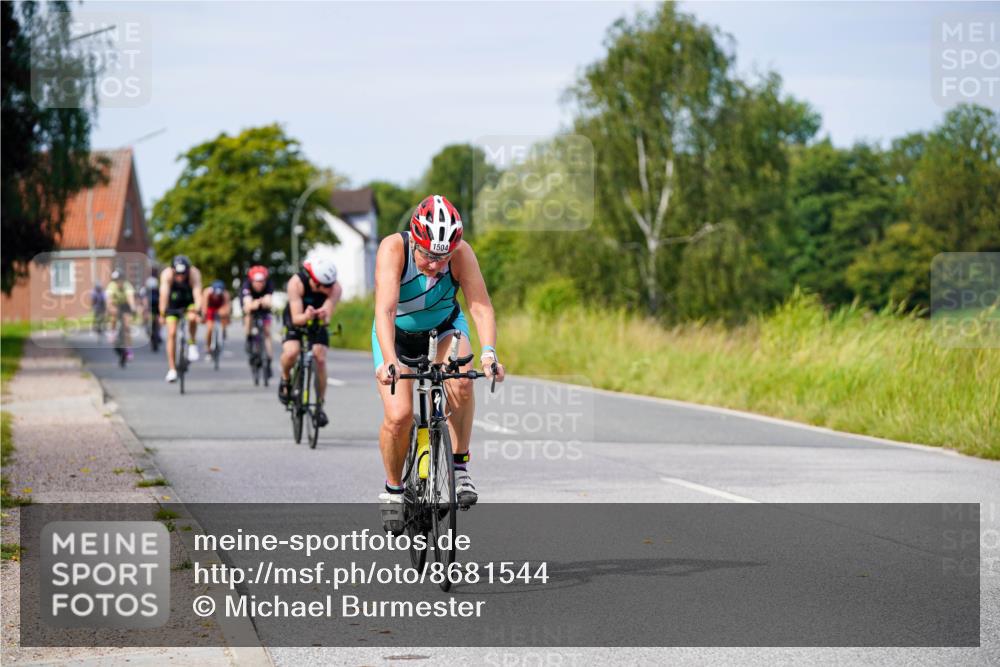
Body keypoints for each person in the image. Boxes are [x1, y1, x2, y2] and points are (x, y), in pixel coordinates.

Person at [372, 194, 505, 533]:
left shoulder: (461, 255)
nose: (436, 265)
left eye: (443, 258)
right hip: (397, 334)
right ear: (415, 241)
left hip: (443, 328)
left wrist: (489, 353)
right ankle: (393, 489)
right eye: (430, 256)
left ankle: (459, 468)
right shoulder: (393, 249)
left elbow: (480, 308)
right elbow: (385, 310)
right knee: (399, 416)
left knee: (462, 377)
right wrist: (389, 360)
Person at [278, 249, 342, 427]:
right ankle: (285, 378)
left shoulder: (335, 288)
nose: (328, 289)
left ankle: (319, 406)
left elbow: (328, 316)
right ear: (313, 279)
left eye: (330, 285)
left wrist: (322, 314)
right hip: (296, 317)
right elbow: (297, 318)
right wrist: (307, 315)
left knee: (320, 358)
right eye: (324, 285)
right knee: (292, 352)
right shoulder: (296, 283)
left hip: (317, 321)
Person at [158, 255, 203, 382]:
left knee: (192, 317)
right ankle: (172, 369)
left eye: (183, 273)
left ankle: (192, 344)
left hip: (189, 301)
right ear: (172, 270)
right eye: (177, 274)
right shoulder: (166, 275)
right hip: (173, 302)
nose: (180, 276)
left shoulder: (194, 273)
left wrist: (198, 310)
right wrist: (162, 313)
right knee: (171, 333)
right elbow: (163, 295)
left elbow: (197, 293)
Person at [240, 265, 275, 373]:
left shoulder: (269, 285)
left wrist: (264, 302)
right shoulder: (246, 286)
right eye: (257, 281)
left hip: (263, 308)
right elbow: (247, 304)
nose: (259, 284)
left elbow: (269, 302)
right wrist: (254, 304)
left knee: (267, 333)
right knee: (248, 315)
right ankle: (249, 337)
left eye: (262, 281)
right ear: (252, 280)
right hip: (251, 306)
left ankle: (268, 360)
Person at [105, 269, 137, 359]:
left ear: (123, 279)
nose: (118, 282)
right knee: (113, 313)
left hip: (125, 305)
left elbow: (131, 298)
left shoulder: (127, 286)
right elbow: (109, 300)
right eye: (116, 280)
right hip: (115, 304)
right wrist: (109, 308)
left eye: (120, 280)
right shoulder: (111, 286)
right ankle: (113, 331)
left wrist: (133, 308)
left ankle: (129, 349)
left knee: (127, 327)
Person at [202, 279, 231, 358]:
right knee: (209, 329)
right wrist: (204, 317)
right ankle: (208, 348)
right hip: (210, 308)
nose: (217, 296)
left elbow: (227, 308)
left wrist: (225, 315)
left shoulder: (225, 294)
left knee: (224, 320)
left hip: (220, 307)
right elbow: (204, 307)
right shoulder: (207, 292)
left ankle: (223, 335)